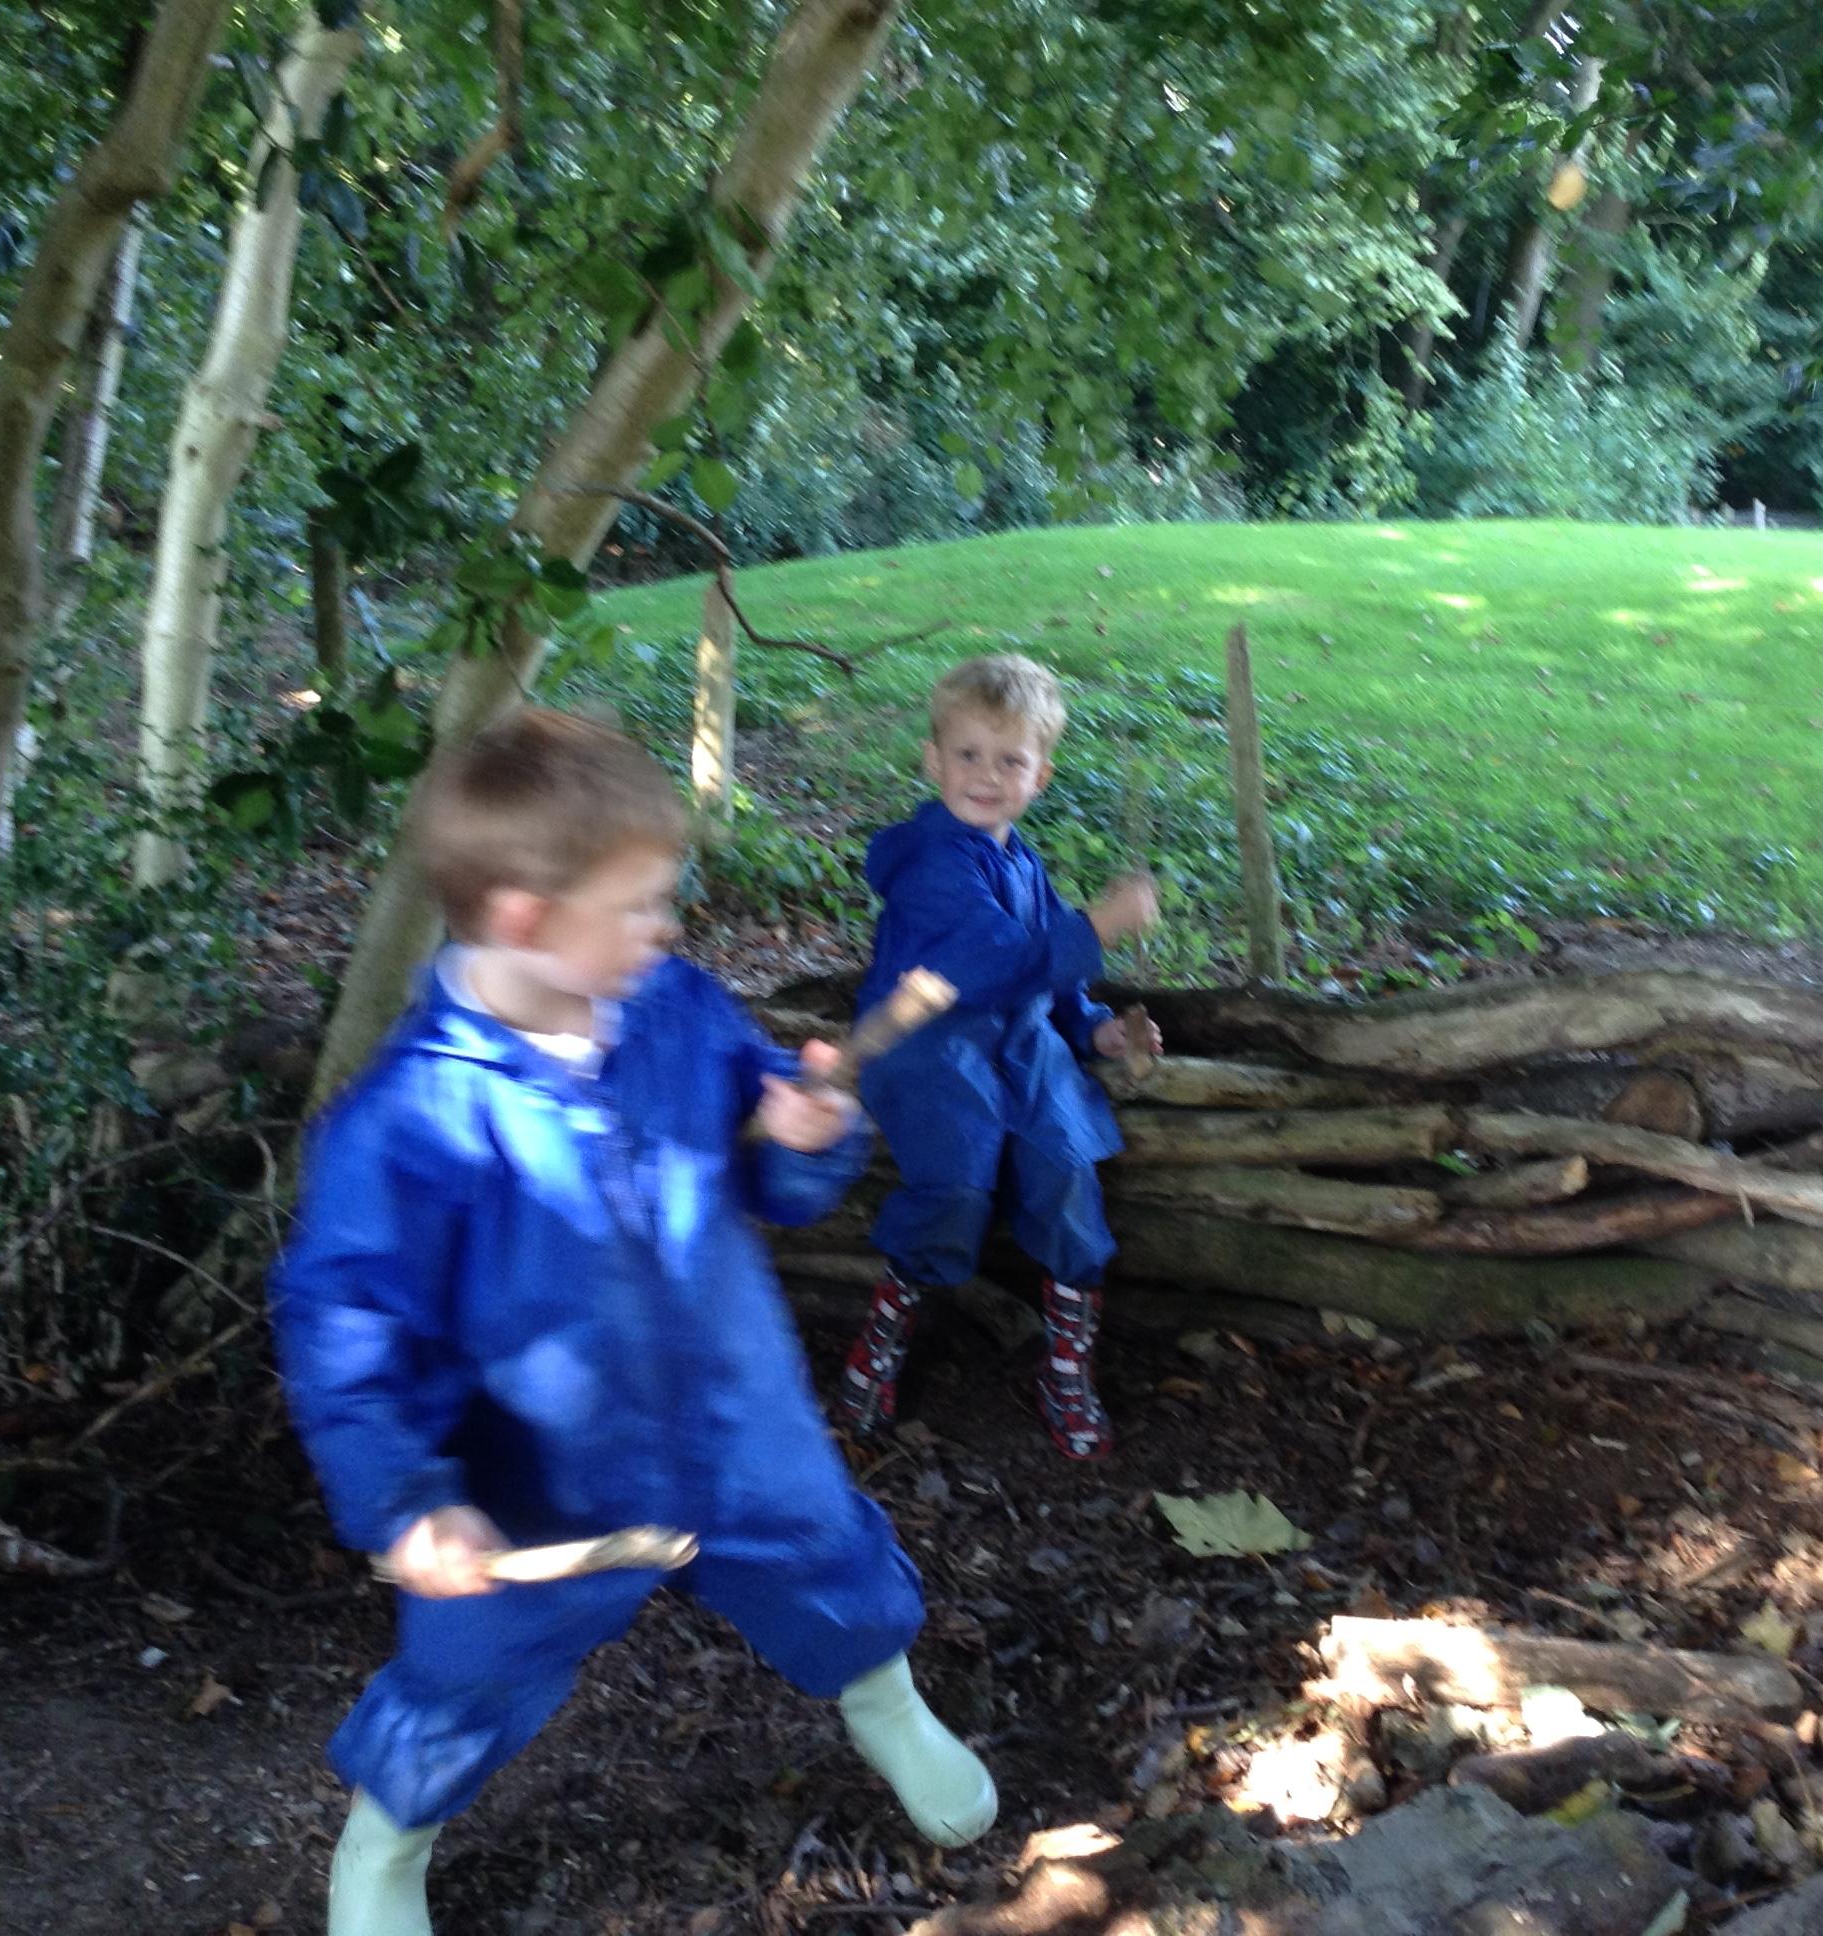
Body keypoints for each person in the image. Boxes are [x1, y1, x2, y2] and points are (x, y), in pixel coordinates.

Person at [272, 710, 996, 1936]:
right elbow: (346, 1327)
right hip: (540, 1476)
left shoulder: (674, 1010)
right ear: (524, 919)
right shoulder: (409, 1120)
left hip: (734, 1413)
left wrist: (805, 1135)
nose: (669, 926)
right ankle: (387, 1844)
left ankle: (885, 1703)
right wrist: (405, 1497)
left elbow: (767, 1164)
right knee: (469, 1667)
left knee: (827, 1557)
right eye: (641, 905)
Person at [836, 653, 1160, 1462]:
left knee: (1066, 1174)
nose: (986, 776)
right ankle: (880, 1345)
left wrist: (1095, 1030)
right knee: (954, 1184)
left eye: (1009, 760)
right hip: (928, 1048)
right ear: (933, 760)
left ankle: (1066, 1369)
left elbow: (1047, 976)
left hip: (1019, 1045)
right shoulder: (929, 861)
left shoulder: (1022, 860)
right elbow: (995, 959)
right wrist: (1100, 925)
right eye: (968, 754)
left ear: (1040, 776)